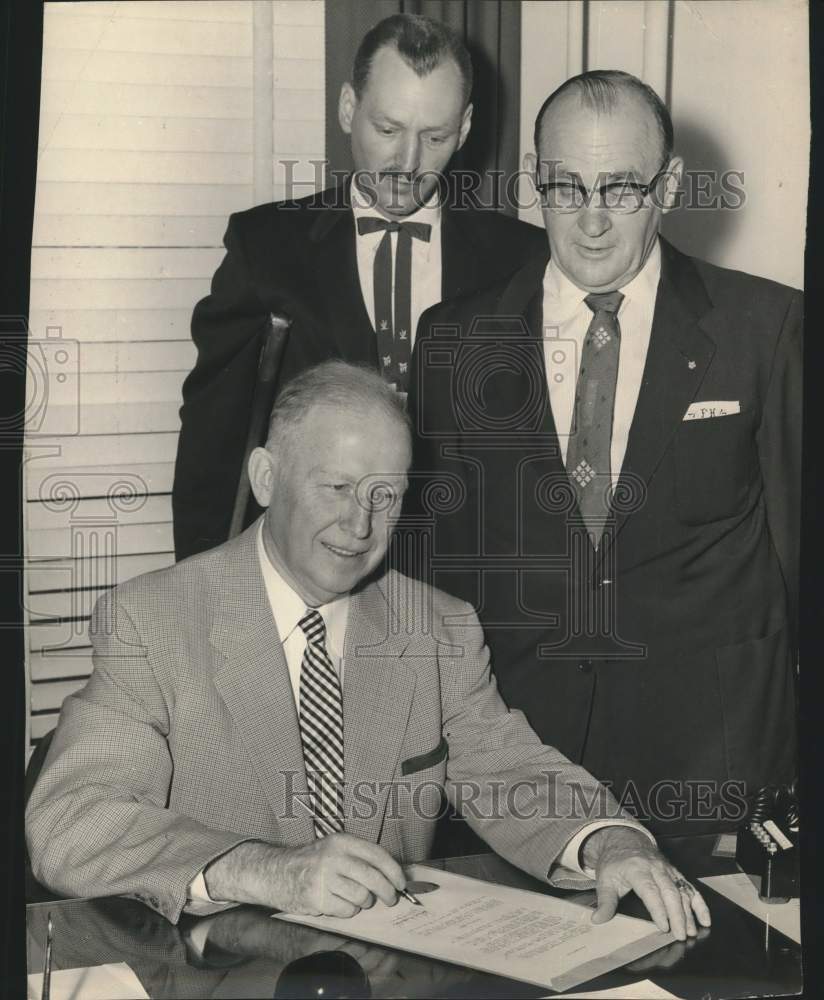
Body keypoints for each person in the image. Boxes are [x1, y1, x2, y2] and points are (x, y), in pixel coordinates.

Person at [27, 362, 709, 941]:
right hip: (213, 973)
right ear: (266, 478)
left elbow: (508, 773)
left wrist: (607, 840)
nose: (362, 524)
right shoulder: (154, 620)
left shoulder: (439, 627)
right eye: (336, 488)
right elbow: (75, 822)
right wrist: (264, 869)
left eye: (387, 496)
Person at [406, 70, 801, 834]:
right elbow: (431, 573)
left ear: (670, 186)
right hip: (518, 765)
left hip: (710, 765)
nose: (590, 221)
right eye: (564, 187)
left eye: (620, 189)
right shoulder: (453, 339)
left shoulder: (768, 328)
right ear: (533, 181)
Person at [172, 13, 545, 561]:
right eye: (387, 130)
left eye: (435, 137)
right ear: (349, 109)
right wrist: (203, 592)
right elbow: (214, 444)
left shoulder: (521, 258)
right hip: (307, 571)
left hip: (463, 579)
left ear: (464, 129)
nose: (407, 162)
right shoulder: (266, 247)